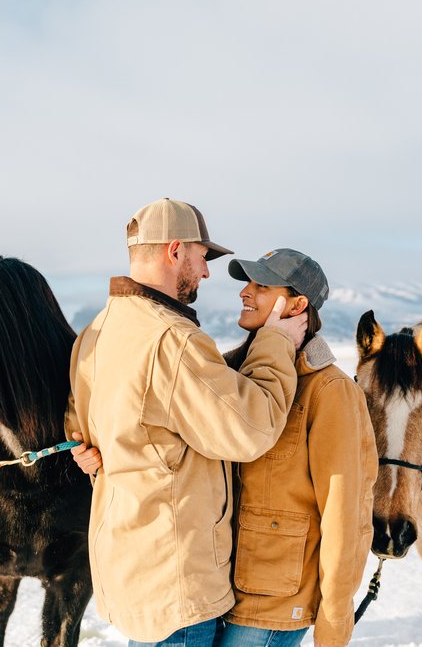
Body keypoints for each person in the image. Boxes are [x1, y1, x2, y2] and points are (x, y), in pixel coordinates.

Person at [75, 247, 378, 647]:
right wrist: (101, 452)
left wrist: (335, 617)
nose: (244, 292)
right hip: (220, 585)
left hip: (274, 599)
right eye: (247, 283)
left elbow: (346, 512)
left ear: (298, 304)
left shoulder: (329, 390)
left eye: (262, 285)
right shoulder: (234, 375)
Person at [65, 198, 308, 647]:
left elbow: (77, 426)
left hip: (128, 566)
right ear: (175, 251)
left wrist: (91, 451)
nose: (207, 272)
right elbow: (250, 430)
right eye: (203, 257)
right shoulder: (173, 341)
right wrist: (275, 342)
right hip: (176, 578)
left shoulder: (97, 331)